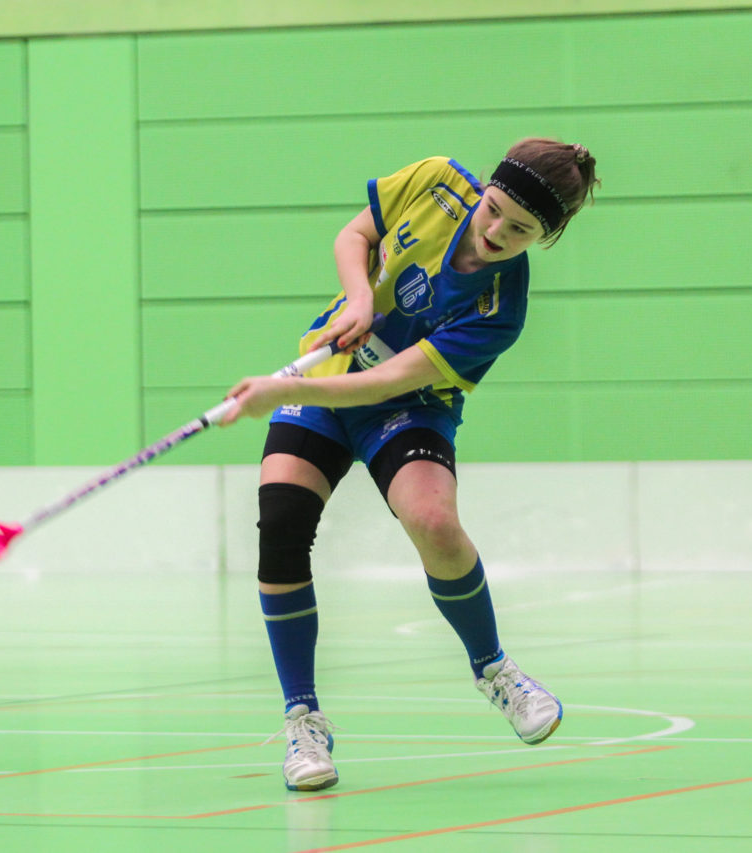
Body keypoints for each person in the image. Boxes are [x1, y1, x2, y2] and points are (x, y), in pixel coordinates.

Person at [217, 139, 599, 790]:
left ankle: (494, 669)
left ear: (546, 235)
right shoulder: (436, 182)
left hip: (405, 405)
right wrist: (359, 297)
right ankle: (303, 719)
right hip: (330, 367)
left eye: (521, 230)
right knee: (281, 520)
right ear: (486, 188)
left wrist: (281, 392)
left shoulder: (500, 309)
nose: (496, 232)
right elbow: (355, 234)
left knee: (433, 520)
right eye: (496, 210)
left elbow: (389, 379)